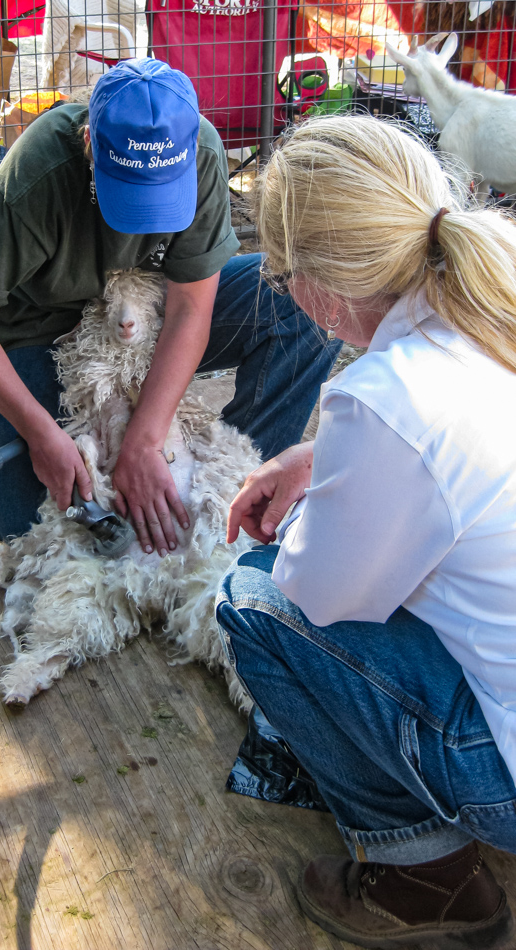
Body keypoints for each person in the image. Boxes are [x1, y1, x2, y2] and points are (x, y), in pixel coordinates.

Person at [217, 114, 516, 950]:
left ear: (318, 283)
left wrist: (323, 493)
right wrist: (324, 456)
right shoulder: (495, 299)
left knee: (252, 599)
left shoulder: (386, 397)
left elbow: (318, 592)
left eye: (280, 276)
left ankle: (421, 874)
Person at [0, 57, 340, 552]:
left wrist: (144, 444)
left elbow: (189, 308)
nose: (143, 224)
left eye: (160, 199)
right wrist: (39, 433)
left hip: (148, 312)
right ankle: (103, 470)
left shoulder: (201, 150)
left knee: (299, 301)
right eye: (129, 197)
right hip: (48, 332)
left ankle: (235, 495)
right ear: (89, 147)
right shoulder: (42, 170)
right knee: (25, 531)